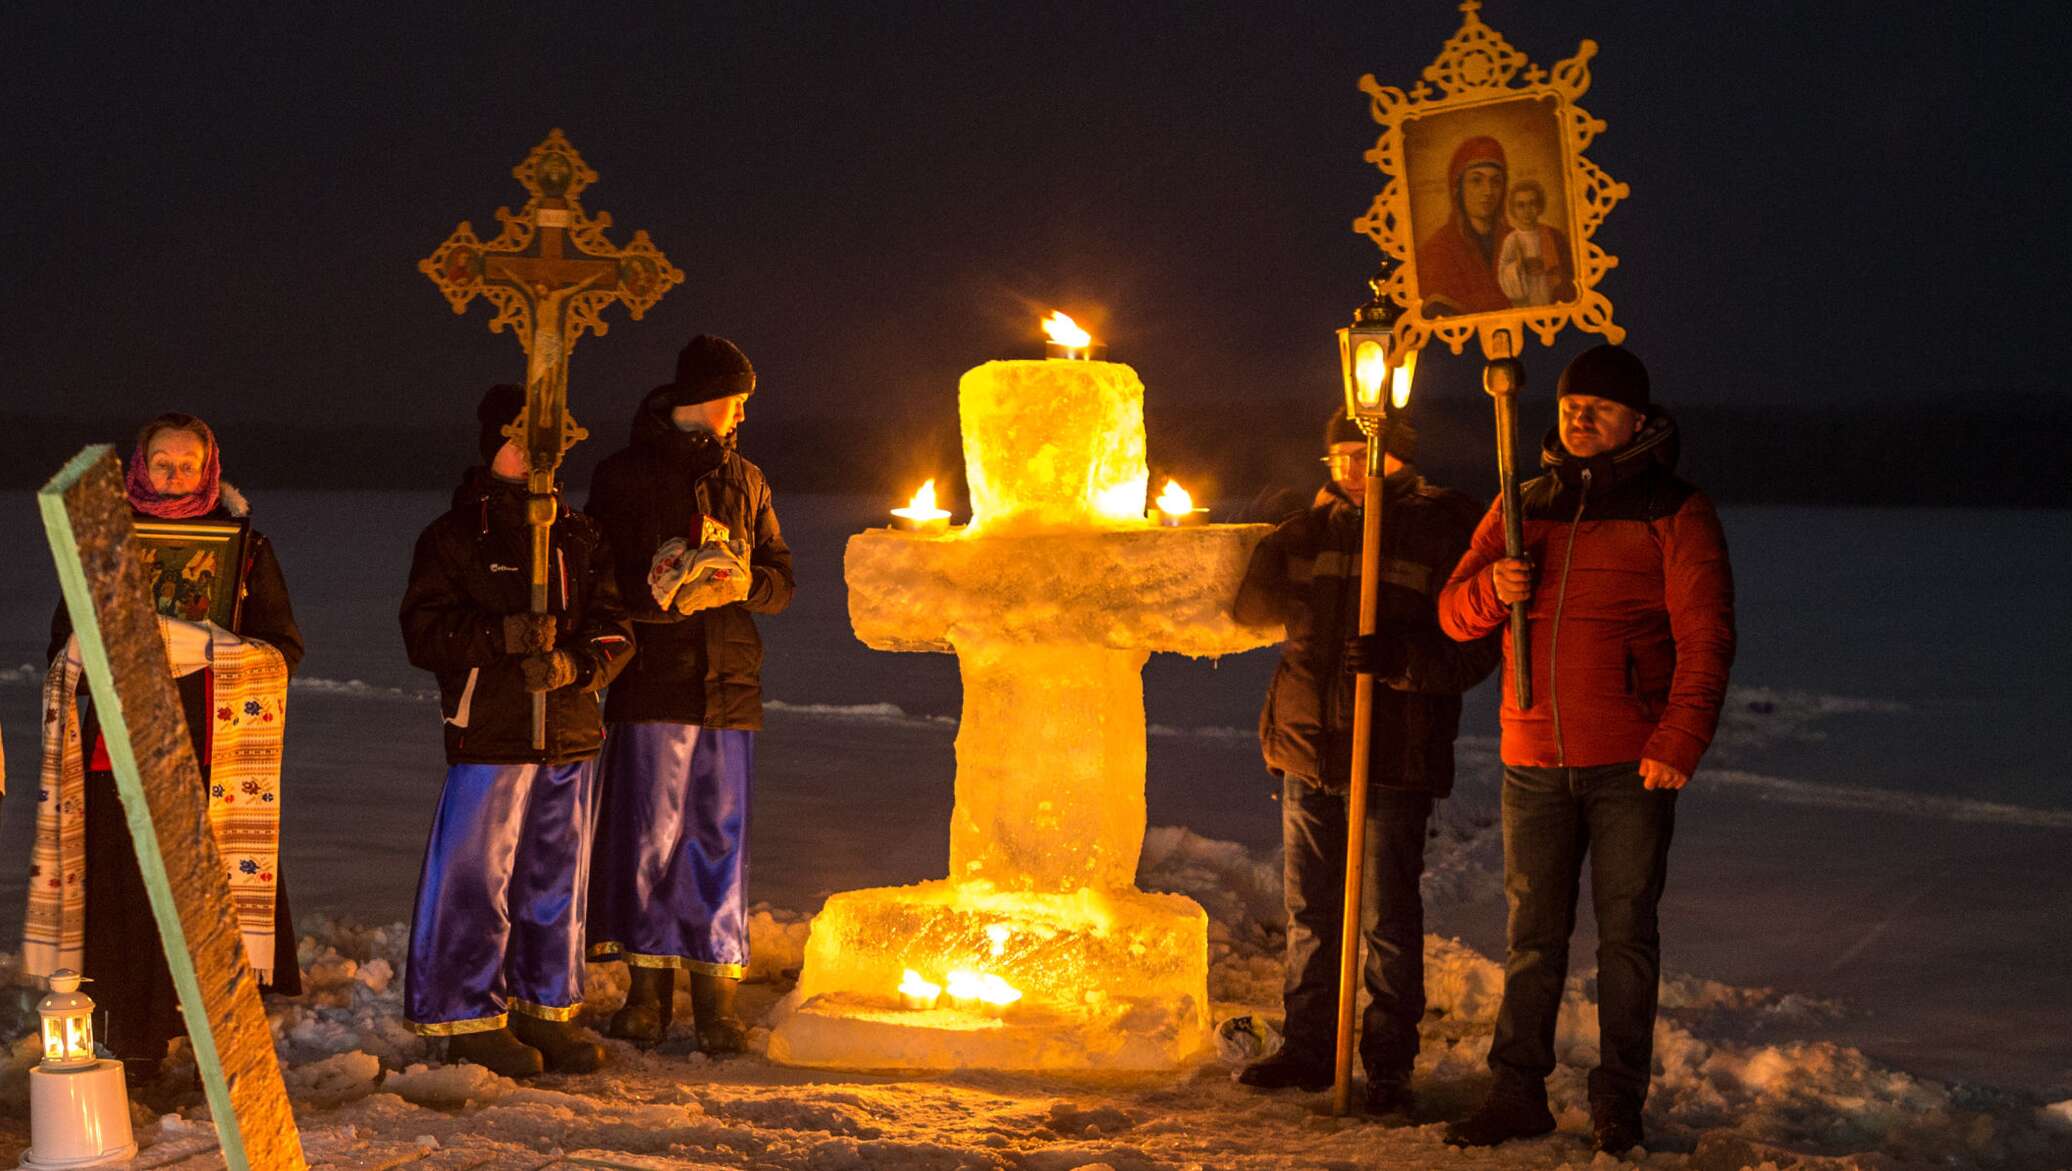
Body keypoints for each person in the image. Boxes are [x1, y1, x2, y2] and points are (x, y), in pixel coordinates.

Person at [1436, 345, 1735, 1155]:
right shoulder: (1521, 498)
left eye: (1598, 408)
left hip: (1631, 762)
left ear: (1637, 420)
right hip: (1532, 757)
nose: (1578, 416)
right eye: (1571, 405)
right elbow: (1453, 615)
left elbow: (1705, 638)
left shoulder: (1674, 510)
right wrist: (1491, 588)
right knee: (1531, 937)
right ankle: (1516, 1091)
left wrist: (1678, 738)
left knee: (1626, 936)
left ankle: (1617, 1100)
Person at [1231, 408, 1499, 1118]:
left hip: (1391, 750)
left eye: (1363, 455)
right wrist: (1283, 528)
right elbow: (1250, 607)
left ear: (1398, 455)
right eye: (1338, 459)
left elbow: (1477, 648)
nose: (1349, 470)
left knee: (1384, 914)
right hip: (1307, 744)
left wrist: (1403, 662)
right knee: (1310, 911)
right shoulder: (1316, 529)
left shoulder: (1444, 525)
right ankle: (1309, 1047)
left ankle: (1386, 1064)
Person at [26, 413, 304, 1083]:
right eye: (162, 462)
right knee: (127, 896)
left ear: (209, 467)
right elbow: (62, 647)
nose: (175, 475)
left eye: (187, 463)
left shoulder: (246, 547)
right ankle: (138, 1042)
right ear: (138, 467)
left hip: (216, 752)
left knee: (205, 896)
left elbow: (285, 649)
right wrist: (92, 649)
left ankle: (218, 1040)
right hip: (120, 749)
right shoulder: (104, 544)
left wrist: (216, 648)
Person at [398, 385, 634, 1077]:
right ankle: (467, 1012)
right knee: (476, 877)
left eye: (545, 443)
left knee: (555, 878)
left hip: (567, 733)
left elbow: (616, 629)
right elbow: (423, 631)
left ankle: (544, 1007)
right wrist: (498, 636)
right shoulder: (454, 536)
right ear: (491, 444)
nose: (533, 455)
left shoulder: (580, 535)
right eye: (518, 439)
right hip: (492, 734)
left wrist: (576, 664)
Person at [584, 334, 795, 1052]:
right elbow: (595, 579)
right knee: (651, 838)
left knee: (718, 841)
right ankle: (647, 996)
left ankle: (716, 1003)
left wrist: (746, 584)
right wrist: (659, 591)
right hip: (653, 685)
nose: (741, 417)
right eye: (736, 401)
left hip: (729, 686)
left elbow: (781, 578)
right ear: (704, 398)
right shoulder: (623, 475)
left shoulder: (749, 479)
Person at [1413, 135, 1516, 317]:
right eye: (1476, 181)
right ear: (1457, 188)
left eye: (1496, 181)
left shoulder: (1516, 240)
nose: (1488, 191)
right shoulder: (1437, 251)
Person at [1496, 179, 1575, 308]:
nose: (1527, 210)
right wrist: (1520, 267)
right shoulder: (1511, 240)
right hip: (1525, 297)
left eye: (1532, 203)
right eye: (1521, 205)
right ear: (1513, 209)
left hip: (1552, 295)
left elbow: (1569, 268)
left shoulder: (1554, 235)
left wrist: (1548, 267)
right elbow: (1502, 272)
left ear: (1539, 206)